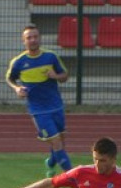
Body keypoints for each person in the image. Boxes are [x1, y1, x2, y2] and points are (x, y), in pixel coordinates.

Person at [6, 25, 73, 177]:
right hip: (38, 110)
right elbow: (9, 78)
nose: (33, 40)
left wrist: (55, 76)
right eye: (29, 37)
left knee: (60, 142)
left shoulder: (51, 57)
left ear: (40, 38)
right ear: (24, 41)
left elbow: (65, 75)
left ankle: (50, 162)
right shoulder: (19, 62)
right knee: (56, 142)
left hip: (56, 105)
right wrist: (17, 88)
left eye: (35, 36)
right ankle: (73, 177)